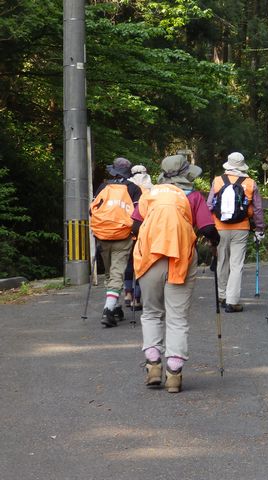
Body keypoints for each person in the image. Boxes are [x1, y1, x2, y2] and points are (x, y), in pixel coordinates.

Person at [132, 154, 219, 393]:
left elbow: (135, 226)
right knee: (177, 318)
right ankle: (174, 373)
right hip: (180, 260)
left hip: (149, 260)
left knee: (151, 313)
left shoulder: (150, 194)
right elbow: (209, 229)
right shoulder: (193, 197)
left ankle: (153, 366)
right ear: (186, 174)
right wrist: (213, 243)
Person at [207, 152, 265, 313]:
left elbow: (209, 205)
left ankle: (222, 296)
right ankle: (233, 301)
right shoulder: (250, 183)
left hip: (219, 228)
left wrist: (208, 226)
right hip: (241, 228)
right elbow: (258, 209)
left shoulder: (218, 181)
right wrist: (260, 229)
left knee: (222, 261)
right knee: (236, 264)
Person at [90, 157, 142, 327]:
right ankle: (108, 310)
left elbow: (93, 209)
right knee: (118, 272)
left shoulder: (103, 187)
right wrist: (136, 233)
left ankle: (116, 306)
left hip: (102, 235)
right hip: (123, 235)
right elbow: (138, 214)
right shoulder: (133, 188)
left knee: (110, 273)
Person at [124, 165, 153, 310]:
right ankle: (137, 298)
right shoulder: (150, 188)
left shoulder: (126, 187)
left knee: (129, 262)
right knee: (141, 264)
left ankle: (128, 293)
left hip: (125, 229)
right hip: (144, 230)